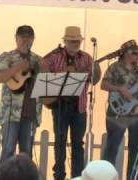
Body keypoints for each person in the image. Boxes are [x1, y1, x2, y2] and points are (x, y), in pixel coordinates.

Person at [43, 26, 101, 180]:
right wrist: (60, 76)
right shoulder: (54, 57)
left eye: (77, 41)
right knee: (60, 141)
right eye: (72, 41)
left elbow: (94, 80)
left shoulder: (87, 58)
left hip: (79, 107)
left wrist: (96, 68)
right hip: (60, 106)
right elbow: (42, 73)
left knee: (77, 144)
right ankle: (59, 175)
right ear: (65, 41)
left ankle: (77, 176)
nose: (76, 44)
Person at [0, 25, 44, 163]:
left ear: (33, 39)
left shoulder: (38, 60)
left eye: (28, 37)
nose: (25, 40)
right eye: (22, 36)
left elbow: (46, 82)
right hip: (11, 113)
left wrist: (45, 68)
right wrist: (17, 67)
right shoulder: (7, 57)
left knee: (26, 153)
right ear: (16, 38)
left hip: (31, 112)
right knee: (8, 150)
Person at [101, 39, 138, 180]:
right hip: (117, 113)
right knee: (112, 148)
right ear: (126, 53)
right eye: (135, 52)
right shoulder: (114, 67)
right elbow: (103, 84)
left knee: (136, 149)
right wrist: (120, 89)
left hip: (137, 114)